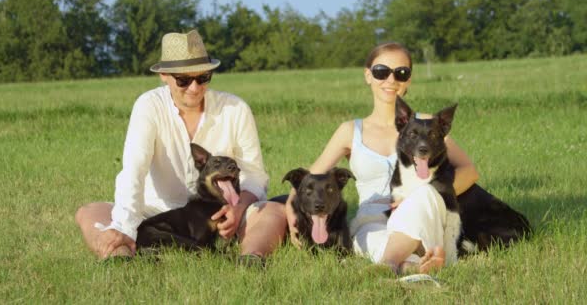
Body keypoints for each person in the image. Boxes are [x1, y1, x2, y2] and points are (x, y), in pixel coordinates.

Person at [75, 30, 287, 262]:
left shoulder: (236, 109)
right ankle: (122, 255)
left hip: (223, 214)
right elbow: (134, 170)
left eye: (203, 78)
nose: (195, 87)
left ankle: (250, 260)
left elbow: (255, 175)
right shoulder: (149, 106)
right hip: (156, 213)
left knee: (274, 212)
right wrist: (124, 226)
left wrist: (237, 209)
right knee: (90, 213)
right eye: (184, 80)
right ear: (164, 75)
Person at [285, 42, 479, 275]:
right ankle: (409, 264)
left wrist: (419, 195)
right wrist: (289, 206)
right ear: (368, 75)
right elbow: (312, 176)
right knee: (373, 242)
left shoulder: (427, 124)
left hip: (423, 211)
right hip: (372, 219)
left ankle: (387, 267)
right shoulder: (350, 131)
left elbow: (469, 170)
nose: (391, 79)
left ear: (408, 80)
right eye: (381, 71)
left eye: (401, 73)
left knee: (425, 193)